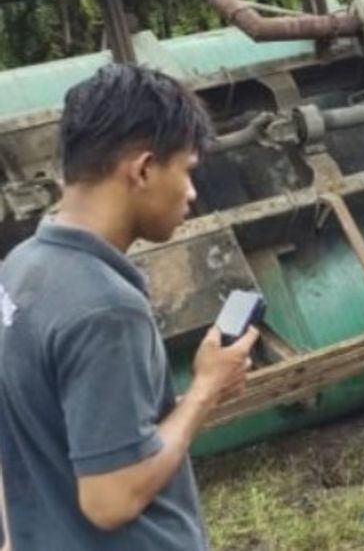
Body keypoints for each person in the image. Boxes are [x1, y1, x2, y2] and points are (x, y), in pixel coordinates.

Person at [0, 64, 258, 549]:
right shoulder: (105, 310)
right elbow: (110, 500)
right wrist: (205, 390)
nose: (192, 193)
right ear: (142, 170)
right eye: (186, 171)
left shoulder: (20, 268)